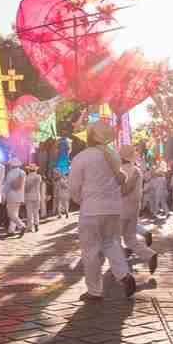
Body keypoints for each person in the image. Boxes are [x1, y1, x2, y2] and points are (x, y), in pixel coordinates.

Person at [69, 121, 135, 301]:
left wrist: (80, 200)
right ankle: (124, 274)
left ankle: (94, 290)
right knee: (111, 243)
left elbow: (74, 186)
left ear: (91, 136)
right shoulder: (114, 155)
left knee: (90, 251)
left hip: (91, 209)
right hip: (113, 209)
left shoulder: (82, 157)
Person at [119, 145, 158, 274]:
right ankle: (149, 254)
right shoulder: (137, 170)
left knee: (113, 240)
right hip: (134, 208)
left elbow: (122, 191)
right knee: (130, 238)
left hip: (121, 209)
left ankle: (120, 267)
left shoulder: (120, 170)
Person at [3, 158, 27, 235]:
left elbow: (7, 186)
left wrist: (4, 195)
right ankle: (11, 230)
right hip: (20, 196)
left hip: (11, 195)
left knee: (10, 214)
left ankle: (21, 225)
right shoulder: (23, 172)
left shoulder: (10, 173)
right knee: (15, 213)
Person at [24, 163, 43, 232]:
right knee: (36, 212)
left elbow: (25, 188)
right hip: (37, 196)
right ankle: (36, 224)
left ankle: (30, 227)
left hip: (28, 196)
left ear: (29, 170)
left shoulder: (26, 177)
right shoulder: (38, 176)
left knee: (29, 212)